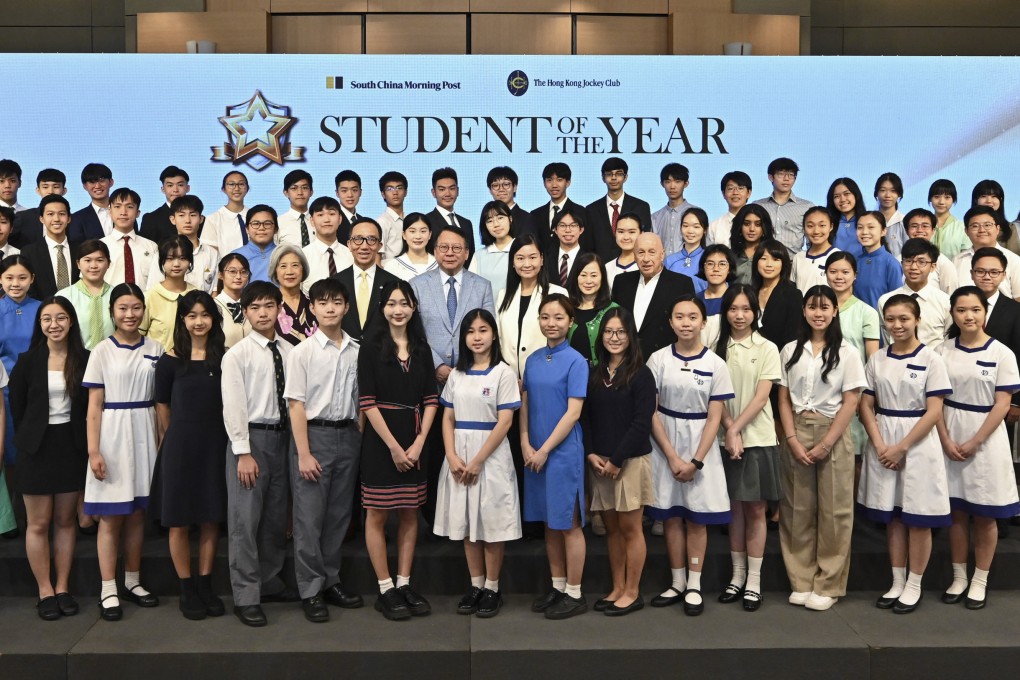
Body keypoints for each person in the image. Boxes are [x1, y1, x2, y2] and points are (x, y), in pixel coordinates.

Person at [857, 294, 952, 614]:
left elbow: (934, 410)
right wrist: (881, 444)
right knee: (893, 516)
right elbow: (866, 404)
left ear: (917, 320)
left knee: (918, 517)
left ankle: (914, 583)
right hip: (883, 438)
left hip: (919, 443)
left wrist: (902, 447)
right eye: (891, 319)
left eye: (904, 319)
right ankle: (897, 580)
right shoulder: (877, 359)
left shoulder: (931, 359)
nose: (897, 325)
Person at [777, 285, 867, 611]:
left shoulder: (848, 352)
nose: (818, 313)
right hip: (797, 429)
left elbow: (852, 400)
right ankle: (800, 579)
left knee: (834, 511)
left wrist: (827, 443)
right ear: (803, 311)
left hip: (834, 430)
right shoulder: (790, 350)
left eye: (824, 307)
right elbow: (783, 399)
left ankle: (828, 583)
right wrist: (790, 438)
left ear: (834, 311)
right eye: (812, 307)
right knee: (797, 509)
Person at [647, 294, 734, 617]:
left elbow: (715, 417)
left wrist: (695, 460)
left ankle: (695, 583)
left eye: (692, 317)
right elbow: (651, 412)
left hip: (702, 447)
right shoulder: (657, 360)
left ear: (704, 322)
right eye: (679, 317)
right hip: (665, 442)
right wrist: (671, 456)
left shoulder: (715, 364)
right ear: (670, 322)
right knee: (671, 515)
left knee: (696, 517)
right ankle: (677, 581)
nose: (686, 323)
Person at [83, 283, 164, 621]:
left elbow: (162, 405)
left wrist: (163, 441)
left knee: (137, 515)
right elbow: (94, 406)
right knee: (111, 516)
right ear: (112, 312)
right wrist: (94, 451)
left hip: (145, 430)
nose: (130, 315)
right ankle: (108, 588)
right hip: (112, 435)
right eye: (122, 308)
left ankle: (132, 581)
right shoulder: (101, 350)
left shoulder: (157, 348)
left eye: (136, 308)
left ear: (143, 310)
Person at [285, 278, 364, 623]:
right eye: (323, 303)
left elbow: (362, 399)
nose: (330, 308)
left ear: (346, 308)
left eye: (336, 302)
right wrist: (303, 452)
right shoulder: (301, 352)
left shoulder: (357, 350)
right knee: (309, 518)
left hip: (347, 435)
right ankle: (310, 589)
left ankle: (331, 579)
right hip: (313, 437)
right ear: (312, 308)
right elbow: (296, 405)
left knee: (338, 517)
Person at [936, 286, 1020, 610]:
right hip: (949, 434)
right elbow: (936, 402)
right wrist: (945, 439)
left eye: (975, 309)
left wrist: (974, 441)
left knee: (985, 515)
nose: (968, 316)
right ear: (953, 314)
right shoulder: (942, 351)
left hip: (987, 439)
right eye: (961, 310)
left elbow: (1002, 404)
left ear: (984, 312)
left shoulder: (1002, 353)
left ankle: (980, 580)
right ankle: (958, 576)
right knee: (957, 512)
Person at [359, 280, 438, 620]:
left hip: (417, 437)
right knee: (377, 514)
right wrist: (393, 446)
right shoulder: (371, 347)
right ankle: (385, 587)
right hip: (381, 441)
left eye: (404, 303)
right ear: (382, 309)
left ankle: (404, 583)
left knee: (409, 512)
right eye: (391, 303)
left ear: (413, 308)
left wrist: (419, 443)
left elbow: (431, 399)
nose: (398, 309)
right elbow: (367, 401)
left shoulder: (421, 347)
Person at [435, 309, 522, 618]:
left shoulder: (503, 373)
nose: (477, 337)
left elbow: (505, 421)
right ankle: (475, 584)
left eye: (483, 330)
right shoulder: (456, 374)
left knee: (491, 523)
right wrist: (452, 455)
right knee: (468, 524)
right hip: (459, 454)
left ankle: (492, 588)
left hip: (491, 456)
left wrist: (478, 460)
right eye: (471, 331)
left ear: (494, 334)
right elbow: (447, 417)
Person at [9, 297, 89, 620]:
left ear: (71, 322)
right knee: (38, 523)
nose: (53, 324)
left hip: (70, 446)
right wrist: (28, 440)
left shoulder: (84, 358)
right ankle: (44, 590)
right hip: (36, 449)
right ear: (39, 325)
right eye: (46, 319)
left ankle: (63, 587)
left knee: (65, 521)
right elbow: (18, 407)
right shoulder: (28, 360)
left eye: (60, 318)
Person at [221, 281, 294, 628]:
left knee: (275, 519)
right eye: (255, 308)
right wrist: (242, 451)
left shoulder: (292, 349)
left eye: (269, 306)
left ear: (280, 308)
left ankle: (270, 580)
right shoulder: (237, 355)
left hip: (285, 440)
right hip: (252, 440)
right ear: (245, 312)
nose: (263, 313)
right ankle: (246, 595)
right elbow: (233, 406)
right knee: (244, 523)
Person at [152, 291, 228, 621]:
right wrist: (172, 438)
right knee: (179, 520)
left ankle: (206, 584)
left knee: (211, 517)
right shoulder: (170, 360)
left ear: (214, 318)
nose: (199, 321)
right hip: (180, 446)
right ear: (182, 320)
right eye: (192, 315)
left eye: (205, 314)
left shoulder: (224, 358)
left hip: (215, 444)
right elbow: (162, 406)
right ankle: (186, 588)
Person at [582, 307, 654, 616]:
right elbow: (585, 418)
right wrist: (591, 453)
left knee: (630, 528)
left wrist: (617, 460)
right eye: (609, 332)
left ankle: (633, 591)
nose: (614, 337)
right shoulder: (596, 374)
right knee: (610, 529)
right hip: (600, 462)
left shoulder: (641, 373)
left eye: (621, 332)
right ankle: (617, 586)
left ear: (630, 336)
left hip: (631, 461)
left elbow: (642, 423)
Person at [714, 285, 782, 612]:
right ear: (725, 312)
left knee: (755, 509)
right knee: (734, 509)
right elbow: (716, 396)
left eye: (746, 309)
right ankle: (736, 576)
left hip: (757, 437)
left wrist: (736, 429)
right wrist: (729, 429)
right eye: (733, 309)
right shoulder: (715, 348)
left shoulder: (767, 347)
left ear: (755, 312)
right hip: (724, 436)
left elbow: (761, 396)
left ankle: (754, 580)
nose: (739, 315)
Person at [522, 294, 588, 620]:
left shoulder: (576, 361)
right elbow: (525, 404)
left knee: (569, 524)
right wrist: (524, 442)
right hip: (533, 453)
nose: (552, 323)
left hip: (561, 453)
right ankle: (558, 585)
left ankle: (575, 593)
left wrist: (545, 449)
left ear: (571, 322)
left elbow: (574, 413)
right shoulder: (533, 359)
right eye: (545, 317)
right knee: (549, 524)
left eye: (559, 317)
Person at [410, 226, 496, 382]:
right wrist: (437, 365)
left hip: (472, 375)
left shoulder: (482, 286)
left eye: (456, 248)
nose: (449, 253)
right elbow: (413, 332)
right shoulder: (416, 285)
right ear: (435, 251)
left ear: (467, 253)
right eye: (444, 247)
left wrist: (468, 366)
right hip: (428, 374)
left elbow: (488, 331)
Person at [611, 232, 696, 360]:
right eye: (640, 252)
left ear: (662, 255)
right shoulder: (621, 281)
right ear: (634, 256)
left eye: (652, 252)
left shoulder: (681, 284)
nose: (646, 259)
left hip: (665, 360)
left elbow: (687, 325)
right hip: (625, 358)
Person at [497, 234, 566, 378]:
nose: (527, 264)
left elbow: (563, 339)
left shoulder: (558, 293)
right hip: (508, 378)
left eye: (533, 257)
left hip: (546, 374)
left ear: (542, 259)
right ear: (513, 262)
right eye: (520, 258)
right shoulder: (503, 295)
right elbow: (499, 338)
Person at [1, 255, 42, 482]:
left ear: (32, 279)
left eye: (22, 278)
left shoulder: (43, 308)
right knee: (9, 452)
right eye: (9, 277)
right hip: (4, 394)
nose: (15, 283)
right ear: (0, 279)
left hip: (37, 391)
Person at [970, 247, 1020, 430]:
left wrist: (1016, 401)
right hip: (963, 393)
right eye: (980, 271)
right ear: (972, 273)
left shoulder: (1015, 310)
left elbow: (1019, 355)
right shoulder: (958, 304)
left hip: (1000, 395)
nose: (987, 276)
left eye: (994, 272)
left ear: (1003, 275)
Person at [335, 217, 400, 343]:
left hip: (382, 355)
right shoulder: (335, 283)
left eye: (371, 240)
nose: (364, 246)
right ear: (349, 244)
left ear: (379, 246)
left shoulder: (394, 283)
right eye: (358, 239)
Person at [878, 238, 951, 347]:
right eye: (908, 261)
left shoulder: (945, 301)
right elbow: (887, 340)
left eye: (921, 262)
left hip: (933, 362)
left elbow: (948, 340)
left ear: (932, 267)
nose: (913, 267)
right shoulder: (885, 300)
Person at [586, 157, 652, 262]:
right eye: (609, 174)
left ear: (625, 177)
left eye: (619, 174)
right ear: (603, 178)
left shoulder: (641, 207)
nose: (613, 178)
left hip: (634, 268)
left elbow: (644, 241)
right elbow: (589, 246)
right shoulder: (591, 210)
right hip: (601, 269)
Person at [148, 195, 218, 294]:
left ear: (201, 219)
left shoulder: (212, 253)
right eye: (181, 215)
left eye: (193, 215)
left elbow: (214, 291)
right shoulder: (162, 252)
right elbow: (153, 288)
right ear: (173, 219)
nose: (188, 220)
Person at [140, 236, 196, 354]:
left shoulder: (196, 294)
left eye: (182, 258)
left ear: (190, 261)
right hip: (157, 364)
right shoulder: (150, 297)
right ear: (162, 261)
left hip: (192, 363)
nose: (176, 264)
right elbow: (139, 337)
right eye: (170, 258)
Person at [57, 240, 114, 351]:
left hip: (111, 360)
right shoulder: (64, 296)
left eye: (100, 260)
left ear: (108, 264)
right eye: (87, 260)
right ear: (78, 264)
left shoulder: (117, 295)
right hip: (75, 360)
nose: (93, 266)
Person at [21, 194, 79, 300]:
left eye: (61, 214)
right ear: (42, 219)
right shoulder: (29, 252)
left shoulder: (81, 249)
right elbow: (29, 290)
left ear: (69, 218)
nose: (56, 219)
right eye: (50, 214)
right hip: (42, 312)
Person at [953, 205, 1020, 296]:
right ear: (966, 231)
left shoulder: (1014, 260)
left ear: (997, 229)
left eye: (987, 225)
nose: (982, 230)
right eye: (975, 226)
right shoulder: (957, 260)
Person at [753, 158, 814, 256]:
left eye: (791, 175)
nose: (786, 179)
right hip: (764, 262)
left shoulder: (806, 207)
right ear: (771, 177)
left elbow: (812, 240)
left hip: (793, 263)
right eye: (781, 174)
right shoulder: (758, 206)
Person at [567, 253, 618, 365]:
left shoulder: (613, 310)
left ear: (602, 277)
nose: (588, 281)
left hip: (601, 377)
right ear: (576, 277)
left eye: (594, 275)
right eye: (583, 275)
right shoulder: (566, 308)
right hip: (570, 376)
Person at [753, 240, 803, 355]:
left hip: (780, 359)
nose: (769, 264)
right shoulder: (750, 293)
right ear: (756, 262)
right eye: (764, 258)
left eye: (776, 259)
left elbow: (792, 337)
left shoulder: (793, 294)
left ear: (783, 263)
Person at [101, 187, 157, 289]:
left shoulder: (151, 246)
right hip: (109, 303)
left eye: (130, 207)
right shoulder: (99, 246)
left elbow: (157, 281)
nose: (123, 212)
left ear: (138, 213)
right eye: (117, 207)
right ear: (110, 211)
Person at [530, 162, 589, 253]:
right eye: (549, 180)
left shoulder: (581, 212)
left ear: (568, 183)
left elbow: (586, 244)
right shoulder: (535, 214)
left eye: (559, 180)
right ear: (544, 183)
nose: (554, 185)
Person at [301, 196, 354, 292]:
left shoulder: (352, 254)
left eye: (332, 214)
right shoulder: (303, 256)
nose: (326, 220)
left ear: (340, 219)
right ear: (312, 221)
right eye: (320, 215)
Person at [852, 211, 902, 310]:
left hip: (879, 322)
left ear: (883, 231)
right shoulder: (854, 260)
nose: (864, 232)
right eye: (860, 227)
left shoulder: (891, 263)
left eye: (871, 227)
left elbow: (897, 302)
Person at [270, 244, 317, 345]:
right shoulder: (268, 307)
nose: (290, 272)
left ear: (303, 269)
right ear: (275, 272)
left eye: (295, 265)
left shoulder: (314, 304)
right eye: (283, 266)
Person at [903, 208, 958, 294]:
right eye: (914, 226)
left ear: (933, 230)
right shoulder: (898, 260)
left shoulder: (943, 263)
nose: (920, 230)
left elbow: (951, 296)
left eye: (925, 226)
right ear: (906, 231)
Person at [651, 162, 699, 256]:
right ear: (662, 184)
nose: (672, 186)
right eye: (668, 182)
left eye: (677, 181)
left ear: (686, 184)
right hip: (662, 268)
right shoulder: (655, 218)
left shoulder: (697, 214)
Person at [10, 167, 66, 249]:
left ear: (64, 191)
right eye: (45, 187)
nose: (50, 191)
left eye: (56, 187)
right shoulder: (23, 217)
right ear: (38, 190)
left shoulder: (73, 220)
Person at [426, 167, 475, 256]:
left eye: (452, 188)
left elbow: (471, 258)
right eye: (442, 189)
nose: (447, 194)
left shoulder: (466, 223)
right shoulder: (426, 221)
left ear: (458, 191)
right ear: (433, 193)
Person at [468, 201, 514, 297]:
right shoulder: (479, 255)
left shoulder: (522, 249)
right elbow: (471, 289)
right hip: (486, 310)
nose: (496, 224)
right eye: (489, 221)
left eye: (500, 218)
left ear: (510, 219)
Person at [791, 207, 839, 295]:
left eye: (822, 225)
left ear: (831, 226)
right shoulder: (798, 257)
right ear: (804, 228)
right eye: (810, 226)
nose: (816, 231)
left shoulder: (838, 257)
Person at [697, 244, 736, 348]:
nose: (716, 269)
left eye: (722, 264)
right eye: (710, 264)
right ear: (703, 267)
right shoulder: (695, 301)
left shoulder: (737, 299)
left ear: (729, 268)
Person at [202, 170, 250, 256]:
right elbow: (210, 254)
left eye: (241, 184)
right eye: (231, 184)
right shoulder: (213, 219)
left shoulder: (255, 216)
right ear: (223, 189)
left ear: (247, 188)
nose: (236, 188)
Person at [139, 166, 189, 244]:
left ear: (188, 188)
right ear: (163, 189)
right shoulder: (151, 219)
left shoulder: (198, 218)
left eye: (180, 185)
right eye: (170, 185)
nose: (175, 190)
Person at [664, 207, 709, 293]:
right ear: (680, 228)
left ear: (705, 230)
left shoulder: (709, 259)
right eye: (685, 226)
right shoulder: (669, 261)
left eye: (696, 227)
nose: (690, 231)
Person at [544, 207, 590, 288]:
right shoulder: (546, 258)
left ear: (581, 230)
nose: (568, 230)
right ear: (555, 230)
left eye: (573, 225)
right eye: (562, 225)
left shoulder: (590, 259)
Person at [231, 204, 279, 283]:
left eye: (267, 223)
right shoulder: (235, 256)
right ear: (247, 229)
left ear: (276, 229)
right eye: (256, 224)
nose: (261, 228)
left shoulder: (284, 254)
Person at [729, 203, 774, 285]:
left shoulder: (773, 254)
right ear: (739, 226)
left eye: (758, 224)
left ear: (764, 227)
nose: (752, 229)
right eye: (746, 224)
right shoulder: (729, 255)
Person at [69, 163, 114, 242]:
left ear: (111, 182)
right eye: (92, 182)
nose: (97, 186)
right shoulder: (76, 219)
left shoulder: (125, 213)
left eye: (102, 180)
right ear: (85, 186)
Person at [486, 166, 535, 238]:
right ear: (490, 190)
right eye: (495, 185)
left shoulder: (528, 219)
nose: (501, 189)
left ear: (514, 187)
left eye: (506, 184)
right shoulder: (487, 219)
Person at [387, 211, 437, 282]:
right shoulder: (392, 266)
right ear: (404, 235)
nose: (418, 236)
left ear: (430, 234)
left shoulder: (439, 264)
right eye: (412, 231)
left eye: (423, 231)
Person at [215, 253, 251, 349]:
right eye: (232, 271)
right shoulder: (213, 306)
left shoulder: (253, 305)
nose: (238, 276)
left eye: (243, 272)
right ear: (220, 275)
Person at [708, 171, 752, 248]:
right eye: (730, 188)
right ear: (723, 194)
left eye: (740, 188)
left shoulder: (757, 223)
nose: (735, 192)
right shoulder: (714, 226)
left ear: (749, 193)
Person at [929, 178, 969, 261]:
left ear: (953, 200)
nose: (941, 202)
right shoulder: (923, 226)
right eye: (936, 197)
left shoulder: (962, 227)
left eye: (947, 197)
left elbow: (966, 257)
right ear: (930, 199)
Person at [277, 170, 315, 248]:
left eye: (304, 188)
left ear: (311, 192)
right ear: (286, 193)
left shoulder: (319, 221)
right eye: (294, 188)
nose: (300, 192)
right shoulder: (278, 223)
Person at [377, 171, 408, 264]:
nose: (395, 192)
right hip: (389, 273)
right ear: (383, 194)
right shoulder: (382, 222)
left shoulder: (409, 220)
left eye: (399, 188)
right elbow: (377, 258)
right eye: (390, 188)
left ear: (405, 192)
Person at [827, 177, 866, 252]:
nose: (842, 199)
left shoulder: (868, 220)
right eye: (836, 196)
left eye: (847, 194)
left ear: (856, 195)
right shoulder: (828, 223)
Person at [604, 212, 641, 287]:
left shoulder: (647, 265)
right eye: (621, 232)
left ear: (641, 233)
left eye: (631, 232)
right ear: (615, 233)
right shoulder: (607, 267)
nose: (626, 237)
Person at [875, 173, 907, 257]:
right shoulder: (869, 220)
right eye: (882, 190)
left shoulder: (904, 221)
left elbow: (909, 251)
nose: (887, 195)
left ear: (899, 194)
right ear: (876, 193)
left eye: (893, 191)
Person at [333, 169, 364, 245]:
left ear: (360, 192)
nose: (350, 195)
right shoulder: (333, 220)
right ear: (337, 193)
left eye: (354, 190)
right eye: (344, 191)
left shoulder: (363, 221)